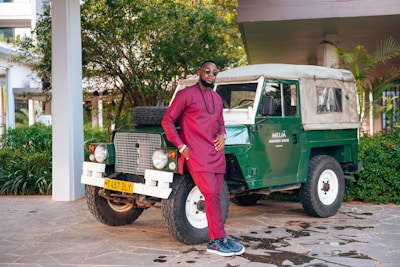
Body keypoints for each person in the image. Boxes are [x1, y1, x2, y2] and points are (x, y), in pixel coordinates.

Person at [161, 60, 245, 257]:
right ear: (200, 72)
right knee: (211, 194)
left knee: (216, 195)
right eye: (207, 71)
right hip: (196, 155)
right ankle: (216, 240)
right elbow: (167, 121)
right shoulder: (186, 95)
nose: (211, 75)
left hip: (216, 155)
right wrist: (181, 146)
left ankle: (220, 238)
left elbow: (221, 123)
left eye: (214, 73)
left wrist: (223, 136)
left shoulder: (216, 98)